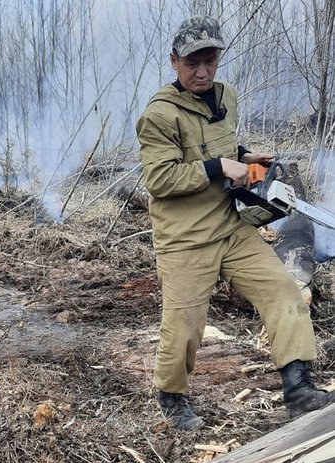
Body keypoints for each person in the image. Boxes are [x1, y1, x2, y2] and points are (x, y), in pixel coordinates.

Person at [136, 15, 335, 430]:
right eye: (192, 63)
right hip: (185, 238)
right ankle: (172, 398)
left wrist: (244, 158)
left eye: (209, 60)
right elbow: (160, 178)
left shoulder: (226, 96)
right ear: (174, 62)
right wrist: (218, 166)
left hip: (230, 227)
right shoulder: (159, 115)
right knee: (185, 324)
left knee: (283, 291)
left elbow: (222, 145)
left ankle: (298, 389)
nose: (202, 71)